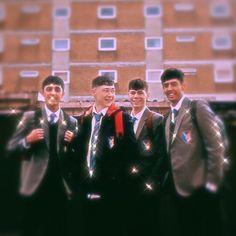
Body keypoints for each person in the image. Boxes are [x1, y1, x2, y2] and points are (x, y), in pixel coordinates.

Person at [7, 75, 78, 236]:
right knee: (29, 229)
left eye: (57, 89)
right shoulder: (29, 118)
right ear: (42, 93)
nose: (53, 92)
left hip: (60, 187)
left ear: (63, 94)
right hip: (34, 185)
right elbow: (12, 148)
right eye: (49, 89)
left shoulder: (72, 121)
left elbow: (76, 155)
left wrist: (74, 142)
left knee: (57, 229)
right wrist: (27, 140)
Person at [160, 68, 225, 236]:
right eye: (165, 85)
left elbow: (215, 146)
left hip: (202, 190)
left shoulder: (197, 107)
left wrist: (212, 184)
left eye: (174, 84)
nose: (169, 89)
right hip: (179, 192)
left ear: (183, 85)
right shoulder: (167, 118)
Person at [74, 75, 138, 236]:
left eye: (112, 91)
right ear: (93, 92)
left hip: (112, 189)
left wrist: (117, 178)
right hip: (87, 185)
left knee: (110, 227)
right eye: (106, 91)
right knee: (89, 227)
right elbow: (81, 150)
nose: (110, 95)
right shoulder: (85, 119)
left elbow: (132, 153)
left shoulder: (122, 118)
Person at [128, 78, 167, 236]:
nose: (136, 96)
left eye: (140, 92)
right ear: (128, 95)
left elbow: (162, 154)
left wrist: (153, 180)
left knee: (150, 224)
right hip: (128, 181)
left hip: (147, 182)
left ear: (147, 94)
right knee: (131, 224)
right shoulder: (124, 119)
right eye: (133, 92)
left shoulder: (156, 119)